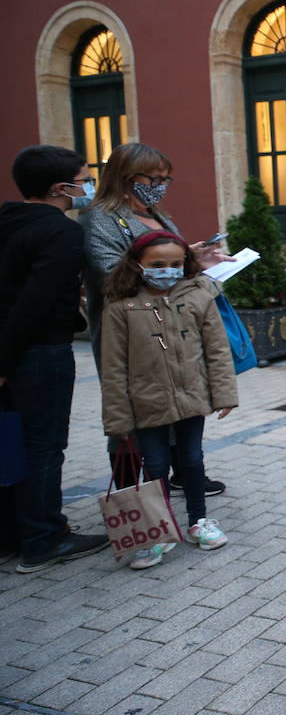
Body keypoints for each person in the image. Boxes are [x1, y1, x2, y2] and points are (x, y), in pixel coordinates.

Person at [81, 141, 230, 494]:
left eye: (166, 178)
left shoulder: (160, 216)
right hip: (132, 332)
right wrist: (174, 271)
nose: (160, 184)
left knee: (180, 397)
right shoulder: (99, 218)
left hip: (175, 327)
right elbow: (110, 274)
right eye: (153, 177)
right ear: (126, 176)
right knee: (132, 410)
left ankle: (185, 473)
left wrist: (193, 261)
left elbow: (170, 265)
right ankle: (131, 492)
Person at [0, 145, 110, 573]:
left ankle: (15, 531)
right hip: (40, 352)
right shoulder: (61, 233)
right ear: (61, 187)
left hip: (16, 350)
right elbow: (35, 303)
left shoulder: (8, 221)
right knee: (44, 446)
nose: (88, 186)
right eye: (84, 177)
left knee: (14, 441)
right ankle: (44, 538)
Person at [100, 231, 238, 570]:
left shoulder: (198, 297)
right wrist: (118, 419)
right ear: (137, 265)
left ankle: (198, 521)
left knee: (191, 459)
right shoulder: (121, 307)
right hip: (146, 402)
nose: (168, 270)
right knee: (156, 465)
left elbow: (217, 350)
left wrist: (224, 394)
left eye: (176, 264)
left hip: (191, 396)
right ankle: (158, 530)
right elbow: (114, 366)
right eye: (157, 265)